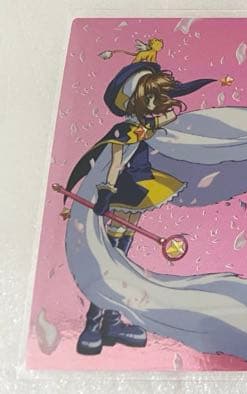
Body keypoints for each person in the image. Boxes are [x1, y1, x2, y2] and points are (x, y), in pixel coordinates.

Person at [63, 60, 217, 354]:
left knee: (120, 260)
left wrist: (166, 105)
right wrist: (106, 191)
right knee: (110, 262)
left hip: (143, 188)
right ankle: (93, 325)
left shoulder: (145, 125)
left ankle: (111, 322)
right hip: (125, 192)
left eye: (156, 97)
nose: (155, 104)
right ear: (132, 101)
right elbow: (114, 163)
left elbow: (169, 115)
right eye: (149, 97)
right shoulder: (123, 132)